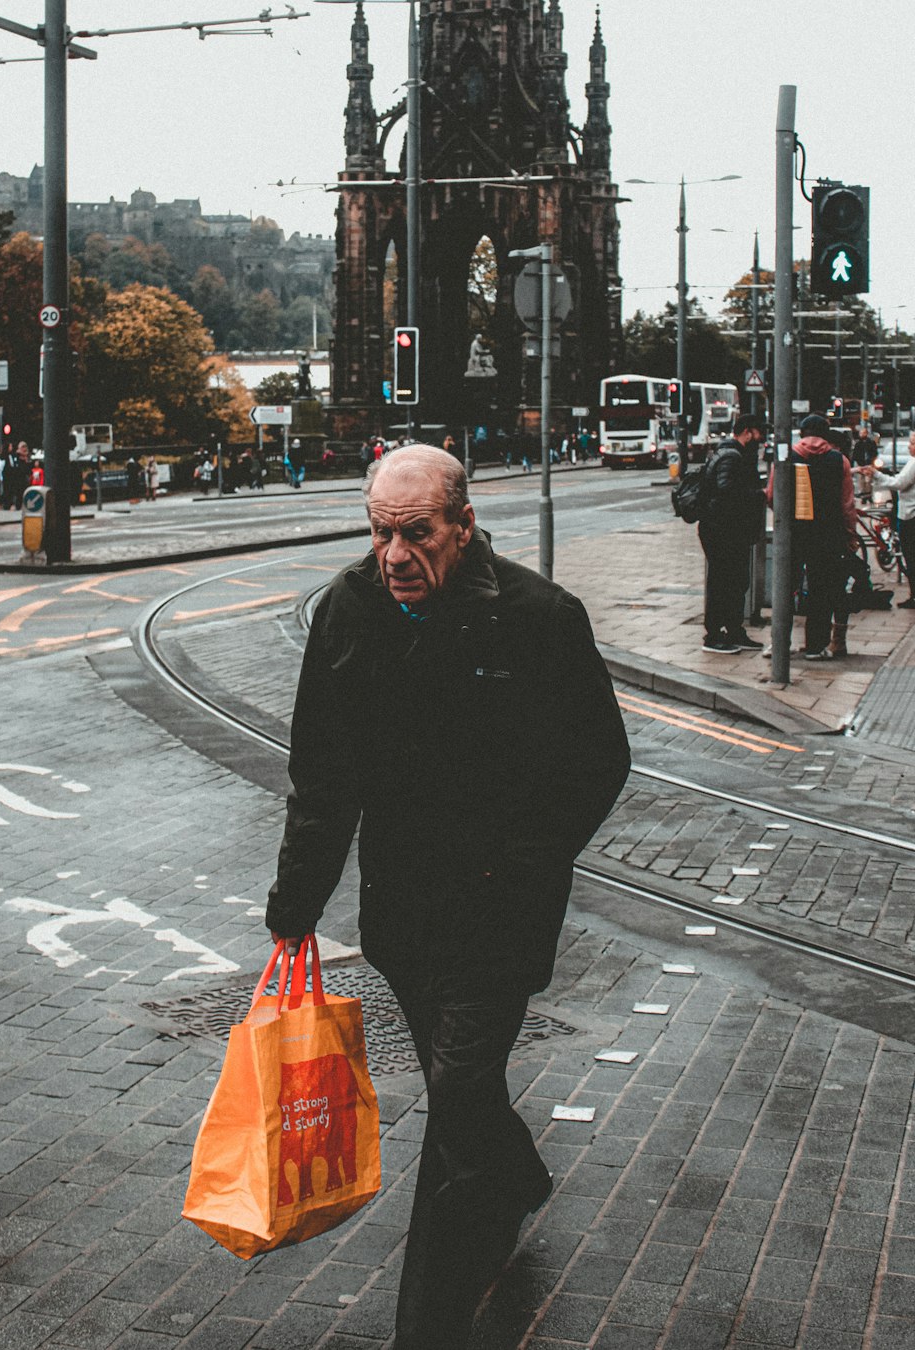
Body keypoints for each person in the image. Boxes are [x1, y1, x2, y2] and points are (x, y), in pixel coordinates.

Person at [266, 445, 630, 1350]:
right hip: (402, 917)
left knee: (457, 1092)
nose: (395, 554)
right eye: (381, 532)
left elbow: (599, 761)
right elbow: (323, 773)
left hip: (502, 913)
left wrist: (527, 862)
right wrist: (294, 909)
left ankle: (426, 1323)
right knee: (461, 1090)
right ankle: (513, 1175)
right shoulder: (349, 612)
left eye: (416, 534)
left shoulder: (541, 618)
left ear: (462, 527)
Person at [768, 413, 860, 660]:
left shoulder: (786, 456)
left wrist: (783, 517)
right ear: (826, 435)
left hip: (793, 533)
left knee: (786, 587)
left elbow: (771, 495)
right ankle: (815, 647)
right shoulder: (839, 461)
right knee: (822, 589)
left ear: (801, 433)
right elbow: (847, 505)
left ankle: (779, 644)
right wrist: (851, 535)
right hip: (828, 535)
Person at [698, 413, 767, 654]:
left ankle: (735, 631)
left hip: (728, 529)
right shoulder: (731, 456)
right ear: (747, 431)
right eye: (759, 433)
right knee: (722, 582)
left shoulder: (734, 453)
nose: (761, 439)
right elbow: (726, 489)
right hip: (721, 529)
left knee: (737, 582)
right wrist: (760, 495)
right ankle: (714, 635)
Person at [863, 429, 915, 609]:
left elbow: (898, 483)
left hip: (910, 516)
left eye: (912, 443)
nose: (909, 446)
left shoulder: (914, 463)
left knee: (911, 556)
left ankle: (914, 596)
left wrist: (876, 475)